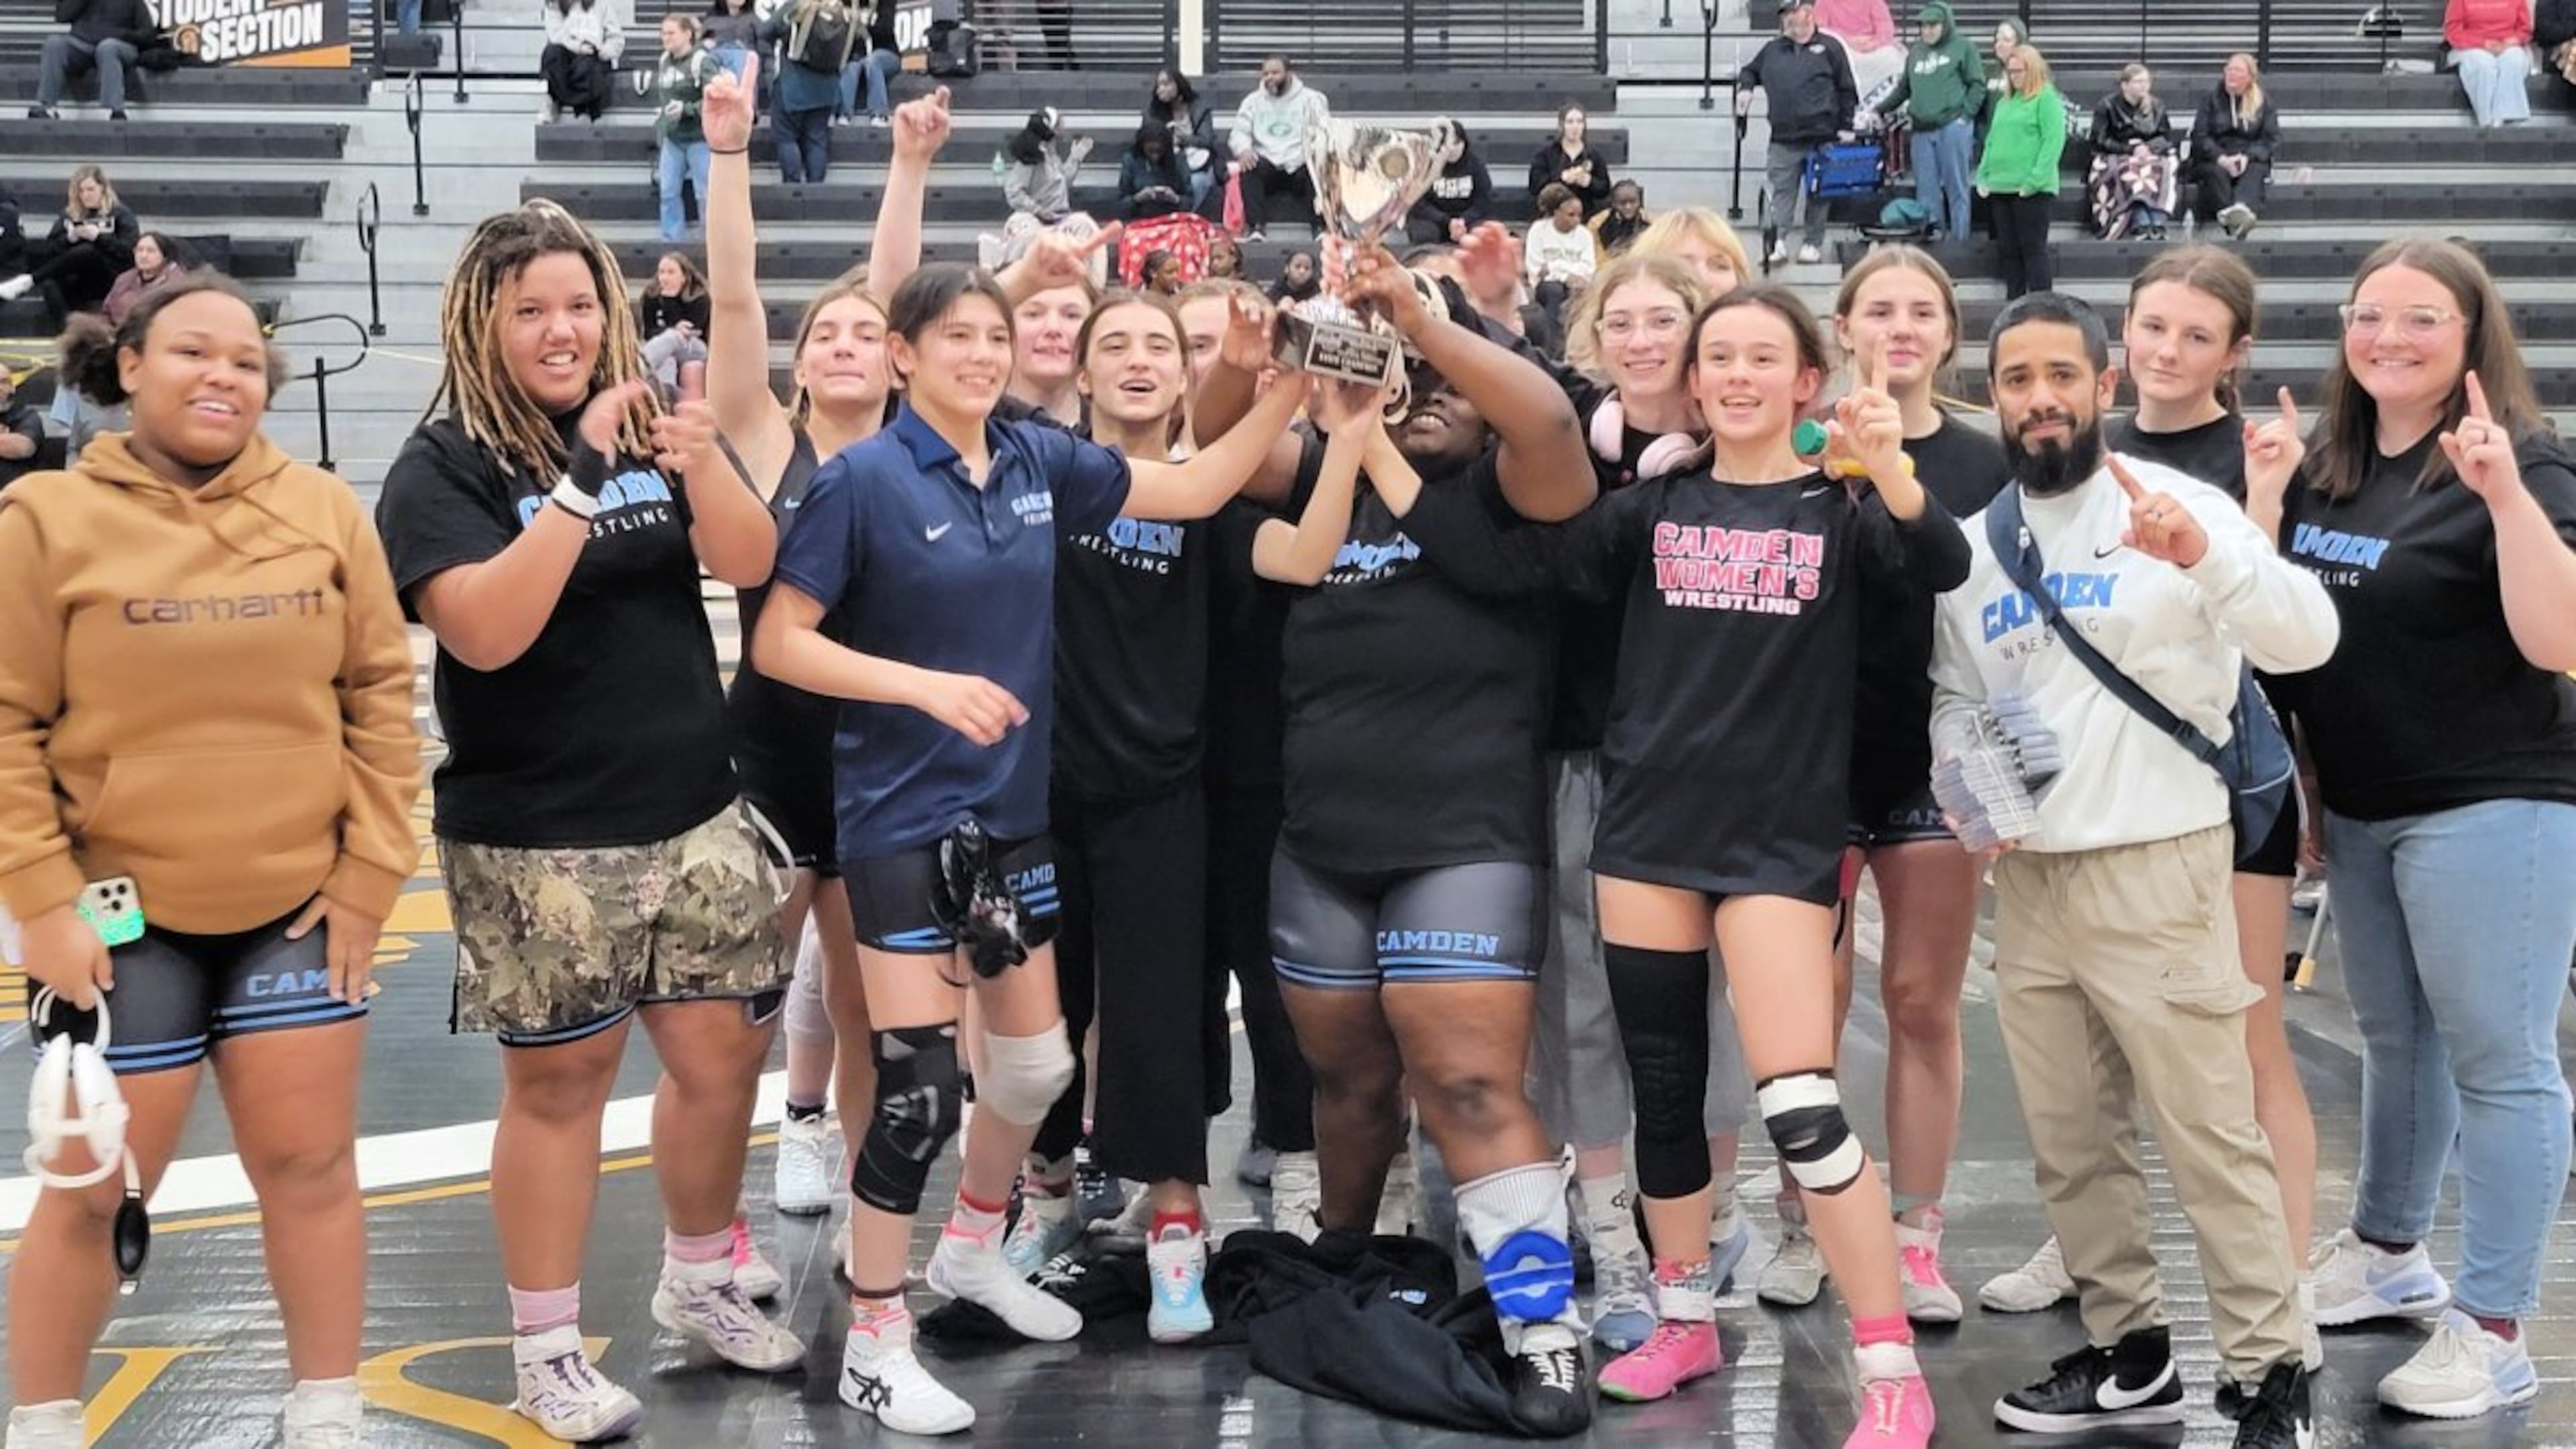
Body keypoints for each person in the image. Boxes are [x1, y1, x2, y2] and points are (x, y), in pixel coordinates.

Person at [749, 260, 1312, 1434]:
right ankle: (875, 1336)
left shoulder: (1039, 461)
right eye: (953, 336)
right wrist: (926, 689)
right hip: (904, 820)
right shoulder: (859, 481)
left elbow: (1203, 487)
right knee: (913, 1098)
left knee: (1038, 1072)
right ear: (903, 355)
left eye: (992, 336)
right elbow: (782, 645)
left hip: (1012, 822)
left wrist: (1283, 390)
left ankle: (971, 1246)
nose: (980, 354)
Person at [1422, 282, 1962, 1444]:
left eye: (1763, 357)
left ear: (1806, 381)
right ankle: (1683, 1315)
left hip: (1777, 840)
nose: (1736, 374)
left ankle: (1887, 1366)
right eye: (1718, 356)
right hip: (1650, 831)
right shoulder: (1652, 506)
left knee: (1802, 1106)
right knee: (1662, 1088)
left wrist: (1888, 467)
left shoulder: (1848, 512)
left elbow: (1943, 560)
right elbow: (1528, 561)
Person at [374, 201, 802, 1442]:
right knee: (561, 1088)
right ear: (482, 324)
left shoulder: (647, 428)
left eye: (577, 306)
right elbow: (487, 633)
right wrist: (577, 481)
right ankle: (548, 1348)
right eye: (531, 311)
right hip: (537, 832)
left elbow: (750, 558)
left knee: (725, 1064)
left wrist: (699, 453)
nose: (561, 330)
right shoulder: (444, 466)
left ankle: (700, 1274)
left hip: (694, 807)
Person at [0, 276, 421, 1449]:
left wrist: (366, 876)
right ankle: (42, 1422)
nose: (223, 375)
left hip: (297, 908)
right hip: (117, 923)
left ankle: (327, 1408)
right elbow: (4, 724)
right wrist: (40, 902)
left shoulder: (325, 509)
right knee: (93, 1188)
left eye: (246, 359)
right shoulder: (44, 522)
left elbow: (382, 702)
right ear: (127, 364)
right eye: (193, 351)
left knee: (312, 1163)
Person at [1197, 244, 1603, 1430]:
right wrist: (1253, 358)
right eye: (1404, 380)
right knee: (1348, 1083)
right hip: (1320, 842)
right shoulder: (1330, 475)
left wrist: (1427, 326)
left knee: (1470, 1081)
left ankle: (1542, 1328)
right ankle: (1342, 1255)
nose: (1424, 398)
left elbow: (1543, 414)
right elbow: (1219, 446)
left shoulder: (1516, 495)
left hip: (1463, 841)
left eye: (1445, 389)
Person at [1929, 290, 2334, 1449]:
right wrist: (1978, 793)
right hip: (2037, 883)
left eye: (2064, 375)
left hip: (2162, 864)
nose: (2042, 398)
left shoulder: (2182, 505)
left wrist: (2207, 557)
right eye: (2017, 379)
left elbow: (2306, 638)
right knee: (2069, 1138)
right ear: (1995, 396)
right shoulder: (1977, 544)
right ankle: (2130, 1346)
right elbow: (1959, 697)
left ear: (2102, 387)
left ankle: (2270, 1375)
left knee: (2209, 1132)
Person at [2279, 236, 2576, 1421]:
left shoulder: (2530, 463)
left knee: (2503, 1061)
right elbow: (2300, 637)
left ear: (2472, 335)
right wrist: (2306, 780)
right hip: (2360, 800)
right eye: (2370, 318)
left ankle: (2497, 1322)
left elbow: (2559, 642)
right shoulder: (2329, 469)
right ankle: (2391, 1249)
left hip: (2492, 800)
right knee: (2397, 1041)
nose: (2390, 340)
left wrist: (2503, 494)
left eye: (2420, 321)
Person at [702, 63, 945, 1224]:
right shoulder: (759, 435)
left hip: (883, 761)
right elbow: (737, 299)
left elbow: (898, 287)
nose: (849, 341)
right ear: (801, 364)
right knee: (740, 1015)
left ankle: (869, 1224)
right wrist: (731, 152)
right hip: (769, 758)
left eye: (866, 332)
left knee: (863, 1010)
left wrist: (908, 162)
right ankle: (717, 1238)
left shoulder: (906, 444)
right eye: (828, 333)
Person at [1812, 246, 2008, 1326]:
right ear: (1843, 327)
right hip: (1812, 763)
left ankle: (1918, 1237)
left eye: (1921, 311)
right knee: (1812, 1016)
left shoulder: (1983, 463)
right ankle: (1810, 1224)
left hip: (1938, 761)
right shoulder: (1801, 446)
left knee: (1923, 1004)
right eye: (1878, 308)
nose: (1900, 325)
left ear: (1947, 334)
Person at [1177, 276, 1324, 1228]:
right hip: (1156, 767)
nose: (1215, 357)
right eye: (1193, 343)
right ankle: (1162, 1167)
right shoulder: (1117, 473)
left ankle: (1295, 1135)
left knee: (1275, 977)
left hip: (1272, 760)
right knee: (1169, 977)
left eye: (1228, 345)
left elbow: (1302, 550)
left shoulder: (1298, 467)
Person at [1735, 0, 1858, 266]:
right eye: (1786, 14)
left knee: (1820, 194)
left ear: (1808, 11)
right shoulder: (1772, 49)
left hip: (1822, 137)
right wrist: (1745, 88)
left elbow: (1847, 89)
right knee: (1782, 191)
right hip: (1783, 137)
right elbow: (1749, 71)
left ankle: (1813, 243)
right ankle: (1778, 241)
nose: (1790, 18)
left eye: (1794, 12)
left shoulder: (1830, 47)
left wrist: (1846, 126)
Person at [1866, 1, 1984, 244]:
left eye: (1933, 25)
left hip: (1953, 126)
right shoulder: (1916, 52)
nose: (1927, 30)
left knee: (1957, 187)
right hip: (1921, 131)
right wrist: (1879, 109)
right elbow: (1903, 89)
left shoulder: (1964, 48)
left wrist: (1966, 115)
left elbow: (1977, 84)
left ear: (1945, 25)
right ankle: (1933, 238)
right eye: (1923, 25)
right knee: (1927, 192)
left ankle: (1959, 242)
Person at [1974, 44, 2065, 299]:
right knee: (2009, 251)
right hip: (2000, 187)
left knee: (2033, 250)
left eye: (2018, 71)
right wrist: (1983, 175)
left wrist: (2034, 181)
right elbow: (1992, 142)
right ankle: (2014, 304)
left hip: (2031, 190)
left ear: (2032, 70)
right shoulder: (2005, 103)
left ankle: (2041, 304)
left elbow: (2053, 142)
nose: (2013, 76)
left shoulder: (2046, 98)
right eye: (2010, 71)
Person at [0, 165, 138, 329]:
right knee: (51, 285)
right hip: (80, 277)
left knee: (87, 251)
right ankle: (67, 333)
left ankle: (30, 280)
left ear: (103, 188)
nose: (86, 195)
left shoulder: (121, 214)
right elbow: (49, 250)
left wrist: (99, 238)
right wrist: (69, 239)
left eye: (91, 189)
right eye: (81, 191)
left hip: (111, 276)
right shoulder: (69, 214)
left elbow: (129, 253)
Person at [1228, 54, 1330, 242]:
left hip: (1300, 161)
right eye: (1265, 73)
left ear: (1289, 73)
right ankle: (1256, 228)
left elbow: (1324, 131)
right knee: (1249, 167)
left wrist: (1313, 154)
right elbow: (1239, 133)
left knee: (1318, 168)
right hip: (1268, 164)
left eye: (1275, 73)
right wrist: (1244, 150)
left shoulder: (1312, 99)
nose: (1270, 78)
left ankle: (1320, 228)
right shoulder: (1252, 101)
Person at [644, 15, 722, 244]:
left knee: (705, 194)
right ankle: (672, 242)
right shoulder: (664, 61)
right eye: (663, 33)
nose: (665, 38)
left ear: (688, 34)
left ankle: (711, 241)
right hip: (673, 138)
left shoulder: (703, 61)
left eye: (671, 33)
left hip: (699, 138)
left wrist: (687, 109)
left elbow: (716, 98)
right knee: (668, 192)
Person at [2086, 64, 2179, 241]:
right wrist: (2130, 149)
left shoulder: (2157, 106)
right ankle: (2140, 220)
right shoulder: (2107, 105)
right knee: (2130, 171)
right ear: (2124, 85)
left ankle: (2158, 221)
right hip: (2117, 152)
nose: (2144, 86)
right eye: (2138, 82)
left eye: (2146, 81)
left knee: (2161, 168)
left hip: (2149, 153)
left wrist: (2148, 148)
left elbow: (2165, 137)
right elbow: (2100, 139)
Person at [2191, 54, 2279, 240]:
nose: (2232, 74)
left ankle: (2240, 209)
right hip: (2215, 156)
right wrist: (2222, 158)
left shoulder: (2264, 102)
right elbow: (2200, 136)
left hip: (2248, 156)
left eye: (2238, 71)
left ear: (2250, 77)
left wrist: (2247, 157)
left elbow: (2270, 139)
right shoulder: (2210, 99)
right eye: (2229, 70)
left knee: (2256, 169)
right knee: (2214, 172)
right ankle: (2235, 219)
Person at [30, 0, 150, 121]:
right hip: (82, 43)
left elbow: (147, 34)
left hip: (118, 43)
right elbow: (62, 16)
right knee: (54, 43)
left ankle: (112, 108)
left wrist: (122, 34)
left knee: (107, 48)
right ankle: (47, 105)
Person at [765, 0, 844, 183]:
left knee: (786, 138)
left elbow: (766, 31)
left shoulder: (797, 6)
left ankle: (793, 191)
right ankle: (816, 193)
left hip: (793, 85)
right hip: (827, 87)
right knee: (817, 141)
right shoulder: (836, 9)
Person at [2446, 0, 2536, 125]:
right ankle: (2487, 120)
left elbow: (2525, 30)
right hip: (2471, 46)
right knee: (2483, 64)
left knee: (2514, 60)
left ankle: (2506, 118)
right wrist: (2482, 43)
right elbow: (2453, 32)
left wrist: (2513, 41)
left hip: (2507, 46)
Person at [1144, 67, 1220, 213]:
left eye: (1166, 84)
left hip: (1198, 165)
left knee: (1199, 183)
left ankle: (1184, 217)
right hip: (1166, 166)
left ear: (1178, 86)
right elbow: (1145, 141)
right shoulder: (1153, 111)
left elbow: (1207, 140)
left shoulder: (1199, 109)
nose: (1161, 89)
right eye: (1159, 85)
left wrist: (1184, 140)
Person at [1002, 107, 1093, 227]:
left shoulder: (1052, 156)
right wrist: (1038, 210)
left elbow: (1061, 185)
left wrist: (1075, 158)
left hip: (1060, 218)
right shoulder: (1032, 158)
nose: (1063, 125)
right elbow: (1013, 192)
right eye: (1060, 122)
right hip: (1040, 224)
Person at [1411, 118, 1495, 245]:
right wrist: (1446, 220)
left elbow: (1483, 201)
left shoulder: (1476, 166)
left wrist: (1463, 220)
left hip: (1467, 219)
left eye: (1456, 143)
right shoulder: (1425, 166)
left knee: (1484, 235)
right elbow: (1418, 202)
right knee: (1425, 235)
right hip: (1433, 219)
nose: (1452, 149)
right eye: (1445, 144)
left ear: (1464, 143)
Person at [640, 250, 710, 398]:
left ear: (684, 277)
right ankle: (667, 395)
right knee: (667, 360)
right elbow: (649, 331)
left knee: (674, 337)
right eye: (662, 272)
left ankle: (639, 366)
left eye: (671, 272)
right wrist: (672, 328)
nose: (665, 277)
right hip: (664, 346)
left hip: (695, 348)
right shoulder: (651, 295)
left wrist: (670, 301)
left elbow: (694, 330)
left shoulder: (699, 296)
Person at [539, 0, 621, 123]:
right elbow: (556, 35)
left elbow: (616, 38)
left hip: (592, 54)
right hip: (567, 51)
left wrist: (606, 50)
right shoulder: (553, 5)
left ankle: (584, 109)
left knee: (589, 67)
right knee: (552, 54)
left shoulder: (602, 5)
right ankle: (554, 101)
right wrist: (578, 47)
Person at [1524, 183, 1597, 321]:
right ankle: (1550, 338)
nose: (1577, 220)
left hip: (1578, 283)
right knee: (1554, 291)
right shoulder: (1539, 230)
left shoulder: (1584, 234)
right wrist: (1566, 277)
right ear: (1556, 212)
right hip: (1545, 286)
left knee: (1580, 292)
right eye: (1571, 215)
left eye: (1580, 215)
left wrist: (1554, 267)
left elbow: (1588, 268)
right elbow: (1536, 269)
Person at [1527, 102, 1614, 217]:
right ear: (1561, 125)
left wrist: (1590, 182)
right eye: (1570, 122)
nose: (1575, 127)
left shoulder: (1594, 155)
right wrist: (1561, 178)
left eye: (1579, 122)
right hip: (1553, 216)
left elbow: (1605, 189)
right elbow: (1535, 186)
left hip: (1585, 215)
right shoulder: (1546, 154)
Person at [1815, 0, 1902, 109]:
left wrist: (1874, 43)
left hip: (1872, 47)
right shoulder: (1824, 2)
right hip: (1841, 47)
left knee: (1893, 58)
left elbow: (1886, 27)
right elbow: (1822, 29)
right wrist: (1848, 41)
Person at [100, 229, 187, 327]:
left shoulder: (176, 284)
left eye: (151, 251)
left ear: (165, 256)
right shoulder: (125, 279)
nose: (144, 256)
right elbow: (106, 312)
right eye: (140, 250)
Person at [837, 0, 901, 127]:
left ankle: (879, 114)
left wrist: (862, 24)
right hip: (856, 55)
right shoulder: (845, 3)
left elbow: (886, 29)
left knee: (873, 61)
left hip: (886, 53)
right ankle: (844, 113)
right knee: (852, 65)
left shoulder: (885, 3)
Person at [1118, 123, 1194, 220]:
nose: (1155, 156)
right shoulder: (1131, 160)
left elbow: (1190, 202)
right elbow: (1121, 206)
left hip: (1172, 219)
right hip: (1140, 219)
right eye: (1151, 151)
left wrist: (1175, 199)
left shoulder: (1178, 161)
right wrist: (1137, 199)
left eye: (1159, 151)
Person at [1589, 179, 1650, 258]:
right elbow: (1595, 254)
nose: (1628, 207)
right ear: (1613, 203)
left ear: (1640, 201)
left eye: (1633, 202)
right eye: (1622, 203)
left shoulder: (1651, 222)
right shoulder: (1597, 223)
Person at [0, 370, 39, 492]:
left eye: (3, 382)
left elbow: (23, 448)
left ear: (12, 388)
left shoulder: (26, 415)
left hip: (14, 498)